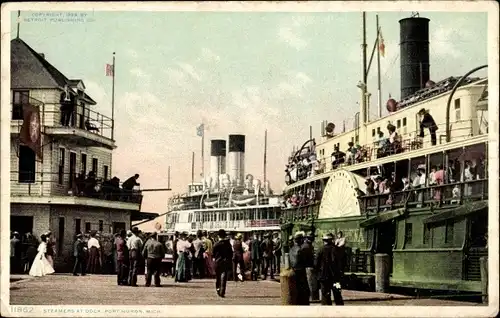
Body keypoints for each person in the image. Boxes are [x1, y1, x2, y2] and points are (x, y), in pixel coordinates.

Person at [315, 233, 344, 306]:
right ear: (331, 240)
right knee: (338, 294)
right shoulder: (338, 249)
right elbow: (343, 262)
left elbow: (316, 264)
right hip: (336, 277)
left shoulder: (320, 250)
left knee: (325, 295)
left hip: (324, 277)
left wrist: (318, 272)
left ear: (324, 240)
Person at [289, 231, 310, 305]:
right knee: (303, 290)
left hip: (294, 270)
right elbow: (306, 261)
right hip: (301, 271)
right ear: (300, 240)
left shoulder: (291, 249)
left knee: (296, 289)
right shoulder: (301, 250)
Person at [213, 229, 233, 298]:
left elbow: (213, 253)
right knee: (224, 276)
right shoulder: (228, 244)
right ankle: (222, 291)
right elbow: (231, 253)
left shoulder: (216, 244)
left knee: (218, 277)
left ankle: (218, 289)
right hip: (226, 261)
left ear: (218, 236)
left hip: (218, 261)